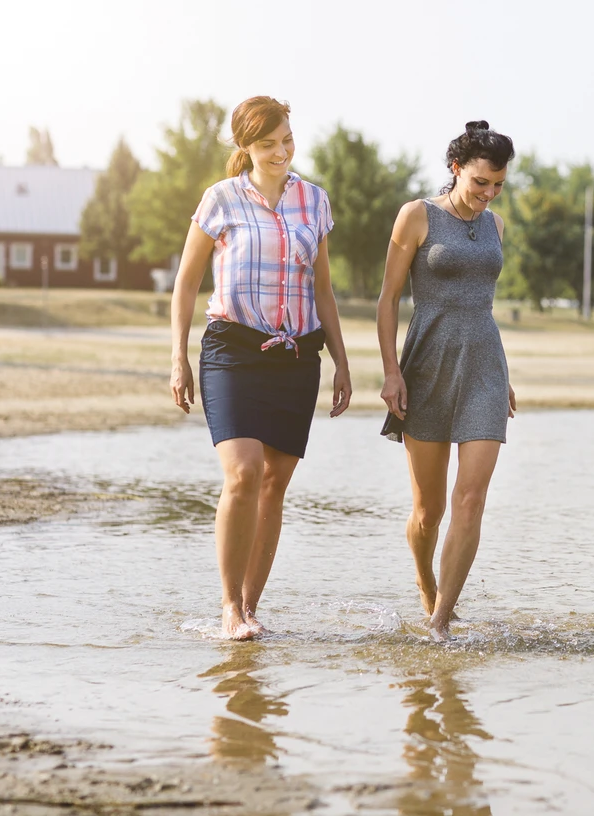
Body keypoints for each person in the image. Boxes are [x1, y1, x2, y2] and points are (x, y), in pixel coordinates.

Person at [169, 96, 351, 641]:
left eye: (287, 140)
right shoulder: (220, 200)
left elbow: (323, 289)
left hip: (297, 358)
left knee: (274, 485)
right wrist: (178, 357)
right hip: (232, 351)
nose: (281, 152)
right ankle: (228, 606)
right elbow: (185, 282)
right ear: (245, 147)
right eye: (268, 144)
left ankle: (250, 608)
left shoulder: (314, 202)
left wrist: (342, 361)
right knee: (244, 473)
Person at [377, 120, 516, 641]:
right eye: (481, 182)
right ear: (456, 169)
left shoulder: (497, 226)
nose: (489, 194)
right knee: (428, 510)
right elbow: (388, 300)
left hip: (485, 367)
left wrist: (504, 379)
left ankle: (440, 622)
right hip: (427, 367)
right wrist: (392, 373)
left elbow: (484, 305)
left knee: (471, 499)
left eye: (498, 185)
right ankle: (425, 582)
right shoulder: (416, 217)